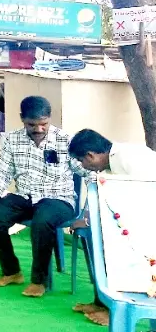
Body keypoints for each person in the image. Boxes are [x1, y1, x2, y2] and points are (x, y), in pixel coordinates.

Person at [0, 95, 88, 298]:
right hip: (25, 196)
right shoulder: (11, 140)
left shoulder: (65, 140)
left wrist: (89, 208)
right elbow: (2, 173)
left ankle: (39, 281)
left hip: (58, 199)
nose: (38, 129)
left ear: (49, 118)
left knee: (42, 220)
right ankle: (12, 271)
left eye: (43, 124)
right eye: (32, 125)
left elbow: (87, 170)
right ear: (22, 118)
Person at [67, 128, 156, 325]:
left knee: (123, 255)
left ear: (90, 155)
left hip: (147, 226)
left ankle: (116, 310)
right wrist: (87, 219)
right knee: (98, 241)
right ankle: (101, 302)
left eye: (81, 161)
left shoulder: (130, 158)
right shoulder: (107, 168)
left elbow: (146, 196)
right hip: (128, 223)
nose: (83, 166)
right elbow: (102, 199)